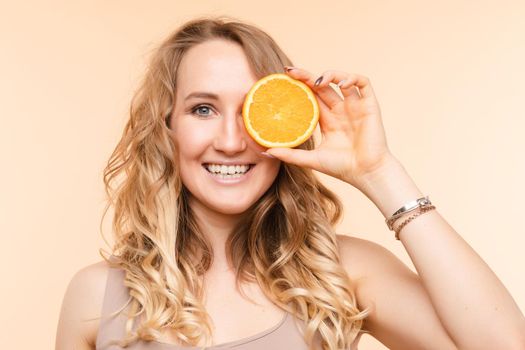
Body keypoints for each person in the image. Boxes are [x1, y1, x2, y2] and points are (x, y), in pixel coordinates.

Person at [55, 16, 525, 350]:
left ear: (285, 124)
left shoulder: (341, 273)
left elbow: (502, 344)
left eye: (252, 111)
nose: (232, 140)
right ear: (167, 126)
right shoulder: (97, 295)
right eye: (203, 109)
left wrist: (379, 172)